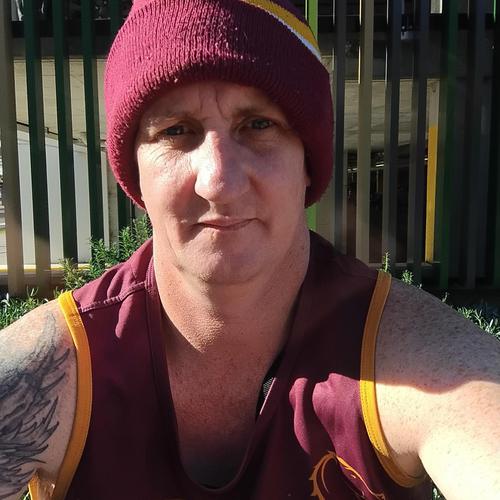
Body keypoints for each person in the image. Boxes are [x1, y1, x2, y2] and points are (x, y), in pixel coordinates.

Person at [1, 1, 499, 499]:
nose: (219, 182)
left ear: (307, 163)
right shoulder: (59, 367)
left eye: (259, 124)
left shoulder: (413, 356)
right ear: (134, 174)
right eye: (175, 131)